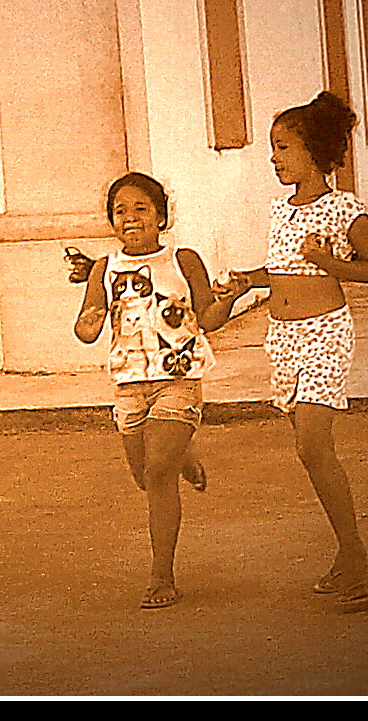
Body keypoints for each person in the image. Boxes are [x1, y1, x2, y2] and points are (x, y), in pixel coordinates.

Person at [218, 92, 368, 611]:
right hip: (282, 338)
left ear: (314, 151)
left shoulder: (345, 209)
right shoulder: (278, 211)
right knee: (309, 454)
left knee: (314, 447)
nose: (275, 158)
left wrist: (329, 262)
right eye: (273, 149)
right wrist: (246, 281)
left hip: (324, 333)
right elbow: (283, 271)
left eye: (283, 147)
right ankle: (347, 553)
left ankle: (355, 556)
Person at [71, 172, 237, 609]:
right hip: (128, 387)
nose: (130, 219)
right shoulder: (104, 270)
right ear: (110, 221)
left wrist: (229, 298)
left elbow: (210, 316)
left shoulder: (183, 261)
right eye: (120, 211)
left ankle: (161, 574)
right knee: (142, 472)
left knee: (157, 472)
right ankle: (183, 453)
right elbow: (88, 322)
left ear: (161, 217)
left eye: (141, 209)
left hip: (178, 381)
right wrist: (86, 324)